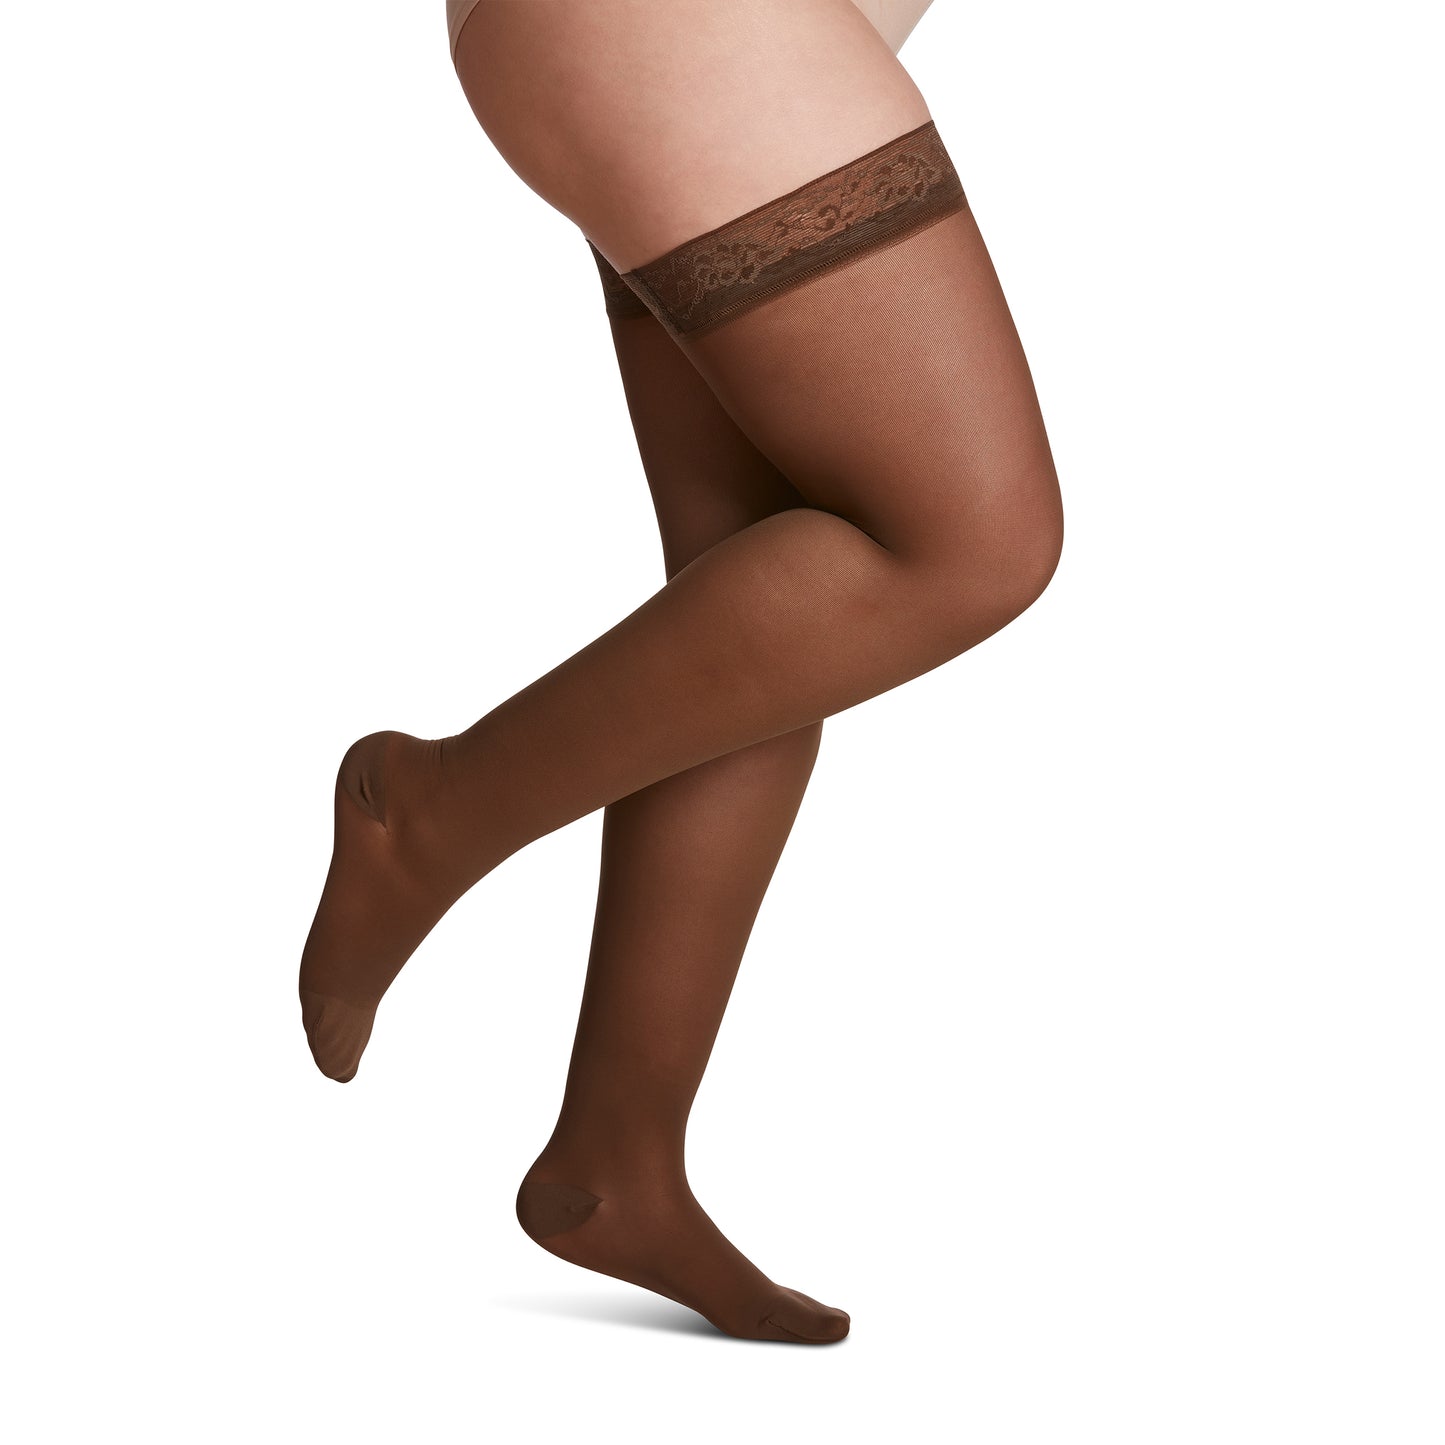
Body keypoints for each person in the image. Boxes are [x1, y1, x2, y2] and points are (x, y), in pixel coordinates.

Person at [299, 0, 1063, 1345]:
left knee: (762, 619)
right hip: (686, 28)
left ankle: (616, 1159)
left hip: (705, 45)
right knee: (970, 543)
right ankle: (429, 811)